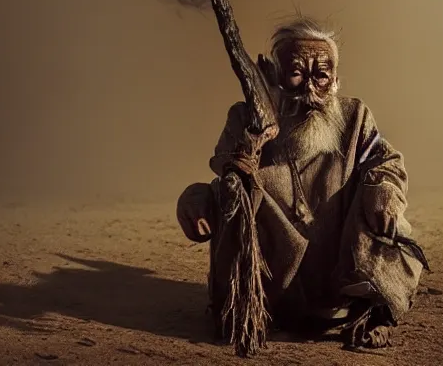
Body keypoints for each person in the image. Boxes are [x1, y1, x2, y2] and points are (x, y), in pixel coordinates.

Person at [176, 17, 428, 350]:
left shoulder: (355, 119)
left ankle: (372, 310)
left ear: (336, 81)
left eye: (320, 76)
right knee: (236, 192)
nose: (308, 90)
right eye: (295, 74)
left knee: (380, 201)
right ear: (272, 76)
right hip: (270, 287)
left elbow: (386, 163)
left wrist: (383, 193)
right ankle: (250, 310)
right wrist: (194, 202)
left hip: (339, 282)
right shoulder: (245, 120)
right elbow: (225, 183)